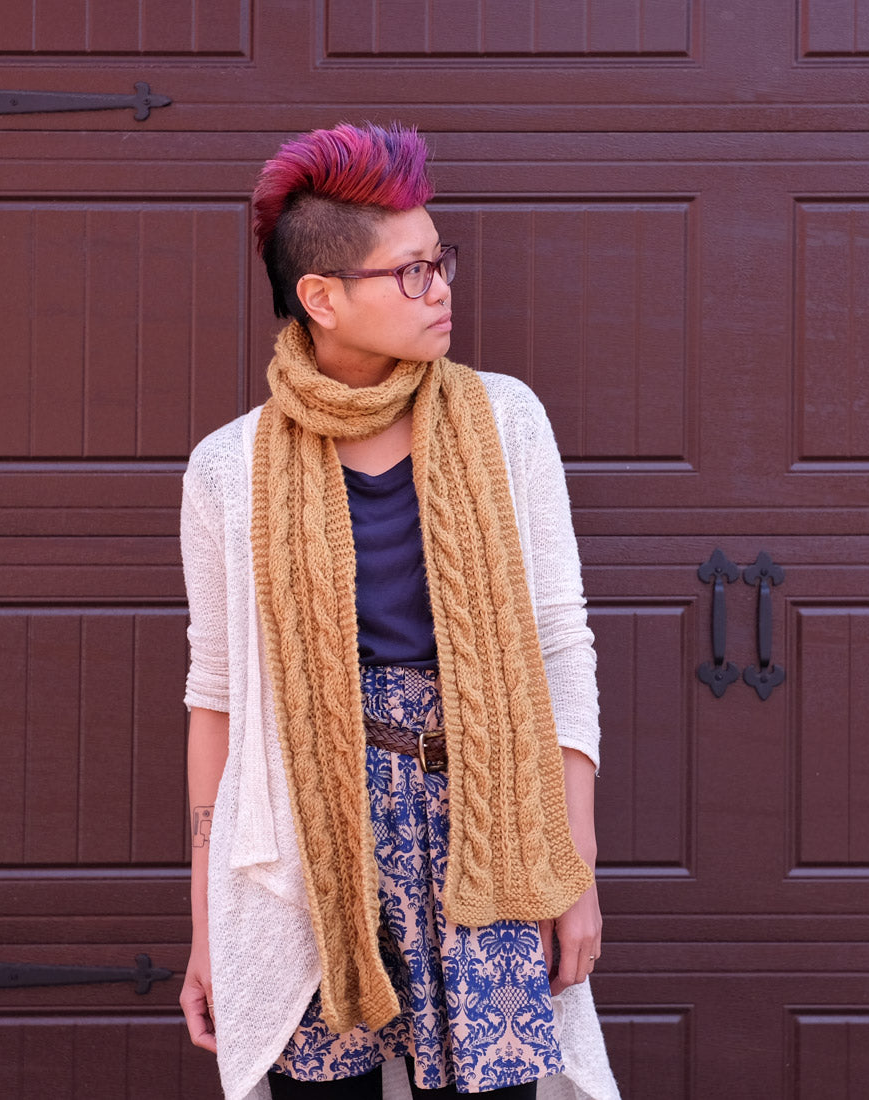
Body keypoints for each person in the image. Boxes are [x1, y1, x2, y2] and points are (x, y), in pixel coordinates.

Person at [177, 121, 622, 1100]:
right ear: (322, 296)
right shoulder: (228, 469)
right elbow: (216, 698)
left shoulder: (505, 422)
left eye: (441, 262)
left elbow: (559, 647)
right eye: (412, 272)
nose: (442, 289)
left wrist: (574, 867)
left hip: (489, 829)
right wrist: (209, 924)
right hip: (306, 840)